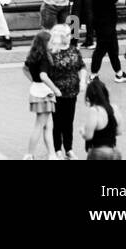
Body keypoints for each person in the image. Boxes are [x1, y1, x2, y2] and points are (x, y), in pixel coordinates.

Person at [46, 22, 87, 160]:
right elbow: (45, 74)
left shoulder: (74, 50)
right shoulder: (52, 52)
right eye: (68, 34)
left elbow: (82, 67)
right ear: (62, 37)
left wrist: (82, 81)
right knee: (57, 122)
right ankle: (57, 149)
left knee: (69, 122)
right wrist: (52, 88)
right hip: (56, 92)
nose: (71, 36)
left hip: (72, 92)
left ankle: (68, 149)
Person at [23, 28, 58, 160]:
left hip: (36, 90)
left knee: (48, 125)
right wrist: (55, 89)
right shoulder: (44, 58)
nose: (52, 44)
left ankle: (52, 154)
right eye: (51, 42)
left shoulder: (32, 55)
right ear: (45, 43)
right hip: (45, 93)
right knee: (40, 125)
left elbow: (25, 68)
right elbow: (44, 76)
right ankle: (29, 154)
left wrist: (33, 80)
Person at [83, 76, 123, 160]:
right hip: (114, 153)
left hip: (98, 154)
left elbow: (88, 136)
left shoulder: (94, 111)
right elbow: (119, 131)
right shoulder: (115, 108)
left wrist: (82, 131)